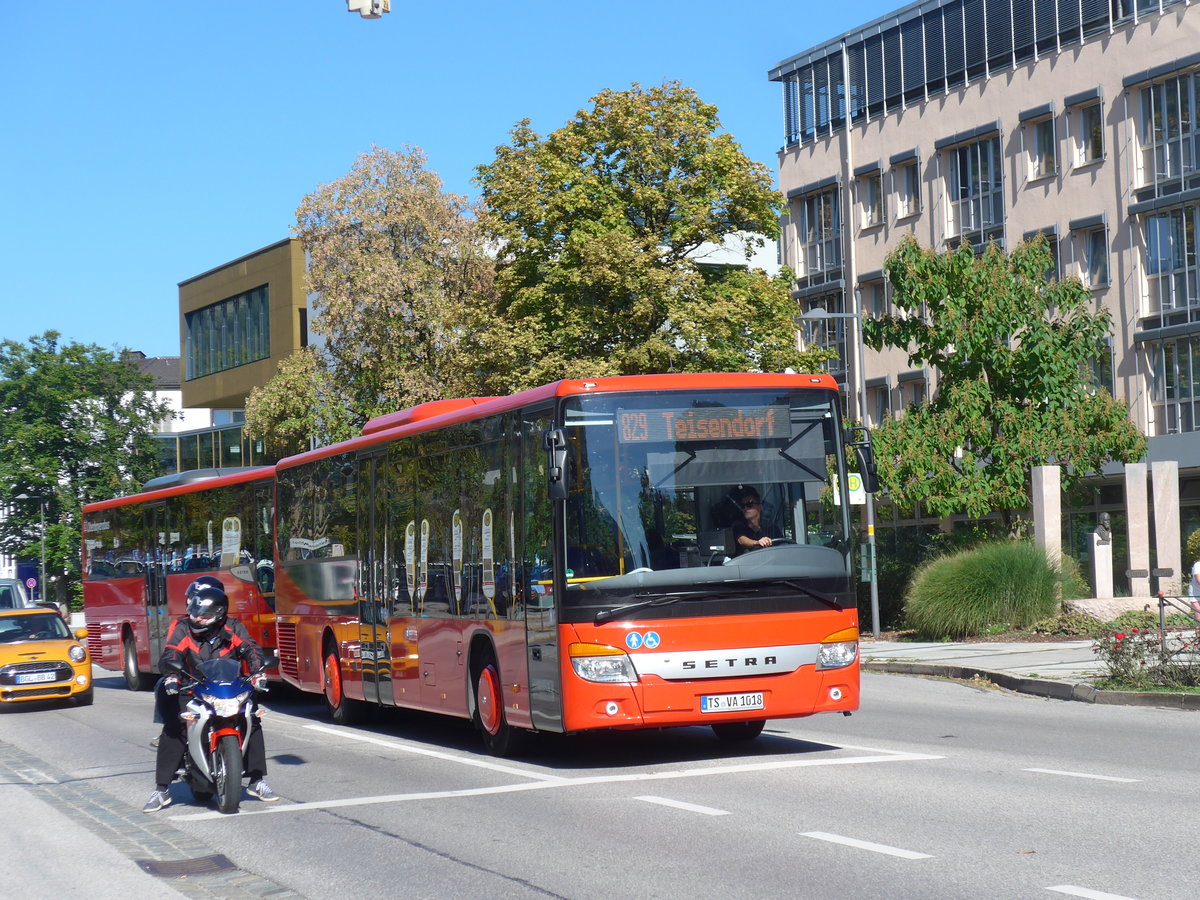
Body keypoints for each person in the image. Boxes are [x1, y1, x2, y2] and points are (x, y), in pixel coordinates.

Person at [143, 579, 277, 812]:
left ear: (218, 613)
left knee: (252, 718)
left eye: (203, 615)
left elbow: (251, 649)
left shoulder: (233, 628)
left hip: (229, 688)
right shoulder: (184, 628)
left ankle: (257, 780)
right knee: (175, 728)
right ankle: (162, 789)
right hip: (192, 686)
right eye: (195, 612)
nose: (197, 618)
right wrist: (173, 675)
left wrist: (258, 673)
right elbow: (170, 654)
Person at [730, 486, 781, 555]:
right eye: (743, 506)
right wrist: (757, 543)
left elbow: (783, 544)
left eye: (749, 505)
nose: (745, 508)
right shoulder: (738, 525)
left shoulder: (771, 527)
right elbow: (741, 540)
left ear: (760, 507)